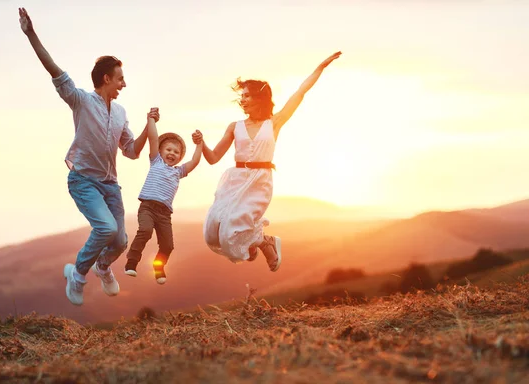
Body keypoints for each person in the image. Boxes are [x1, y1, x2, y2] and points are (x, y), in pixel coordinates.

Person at [19, 7, 155, 305]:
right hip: (83, 180)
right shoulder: (80, 100)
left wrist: (149, 126)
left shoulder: (119, 112)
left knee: (119, 241)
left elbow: (131, 151)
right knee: (105, 228)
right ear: (106, 78)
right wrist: (31, 34)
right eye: (120, 78)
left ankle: (102, 267)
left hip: (110, 186)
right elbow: (53, 68)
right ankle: (77, 274)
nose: (124, 84)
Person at [192, 51, 342, 271]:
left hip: (260, 181)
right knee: (212, 233)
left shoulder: (274, 123)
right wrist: (201, 143)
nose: (242, 100)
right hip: (235, 181)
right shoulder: (235, 127)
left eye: (247, 95)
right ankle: (259, 242)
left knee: (230, 235)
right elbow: (213, 158)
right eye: (241, 96)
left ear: (259, 98)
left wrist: (320, 67)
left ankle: (263, 242)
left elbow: (300, 93)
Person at [125, 108, 203, 284]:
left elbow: (195, 161)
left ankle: (159, 267)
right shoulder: (156, 161)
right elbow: (153, 138)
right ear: (160, 151)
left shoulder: (179, 172)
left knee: (168, 245)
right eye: (168, 149)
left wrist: (199, 144)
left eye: (176, 152)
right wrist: (151, 120)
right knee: (145, 231)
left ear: (179, 158)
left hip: (164, 214)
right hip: (147, 207)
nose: (172, 154)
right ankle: (132, 262)